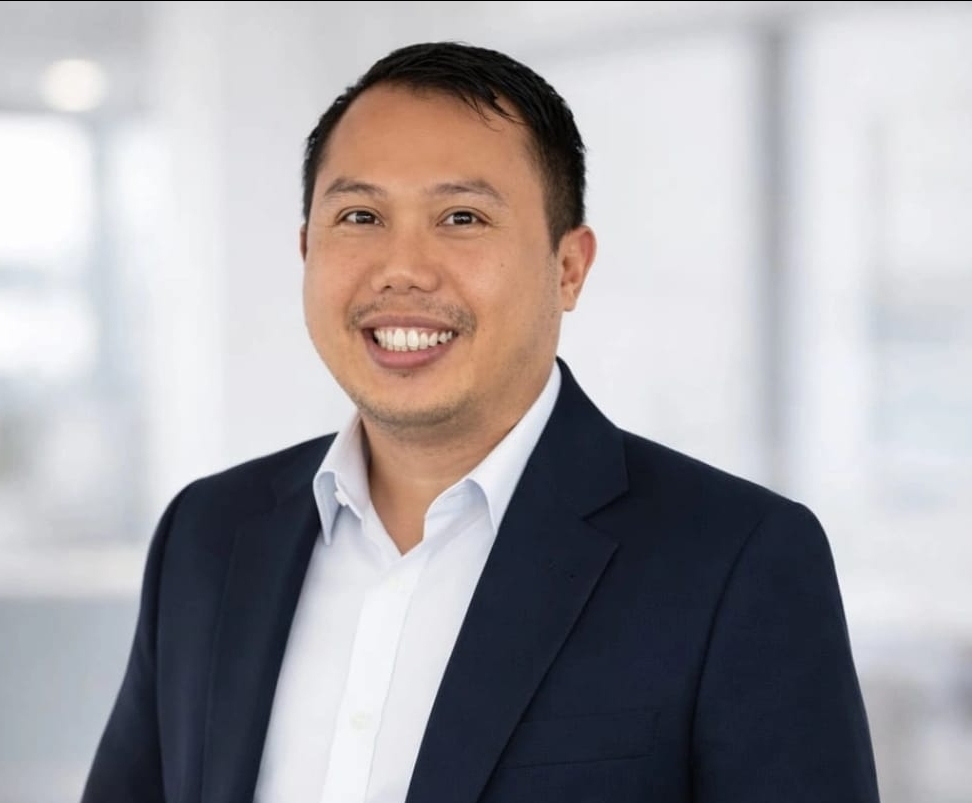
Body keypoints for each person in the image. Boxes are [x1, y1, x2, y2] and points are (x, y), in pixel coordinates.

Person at [81, 41, 880, 803]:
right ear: (305, 251)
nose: (401, 268)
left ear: (568, 267)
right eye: (358, 216)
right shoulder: (207, 536)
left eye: (461, 217)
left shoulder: (734, 561)